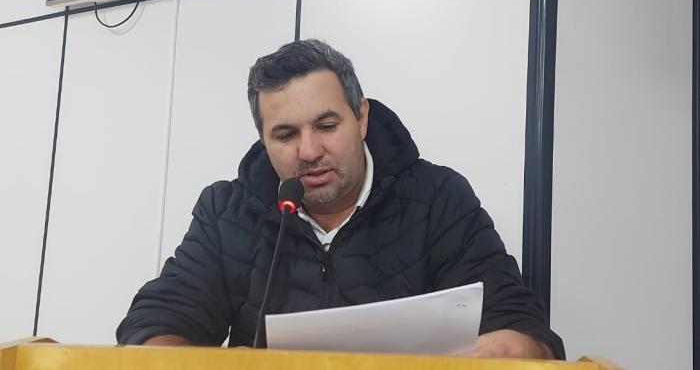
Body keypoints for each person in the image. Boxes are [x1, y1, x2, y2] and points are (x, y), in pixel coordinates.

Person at [116, 39, 564, 359]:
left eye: (327, 126)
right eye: (286, 135)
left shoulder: (437, 198)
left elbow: (519, 324)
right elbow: (158, 321)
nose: (309, 151)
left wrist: (508, 347)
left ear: (361, 118)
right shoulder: (226, 212)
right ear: (263, 139)